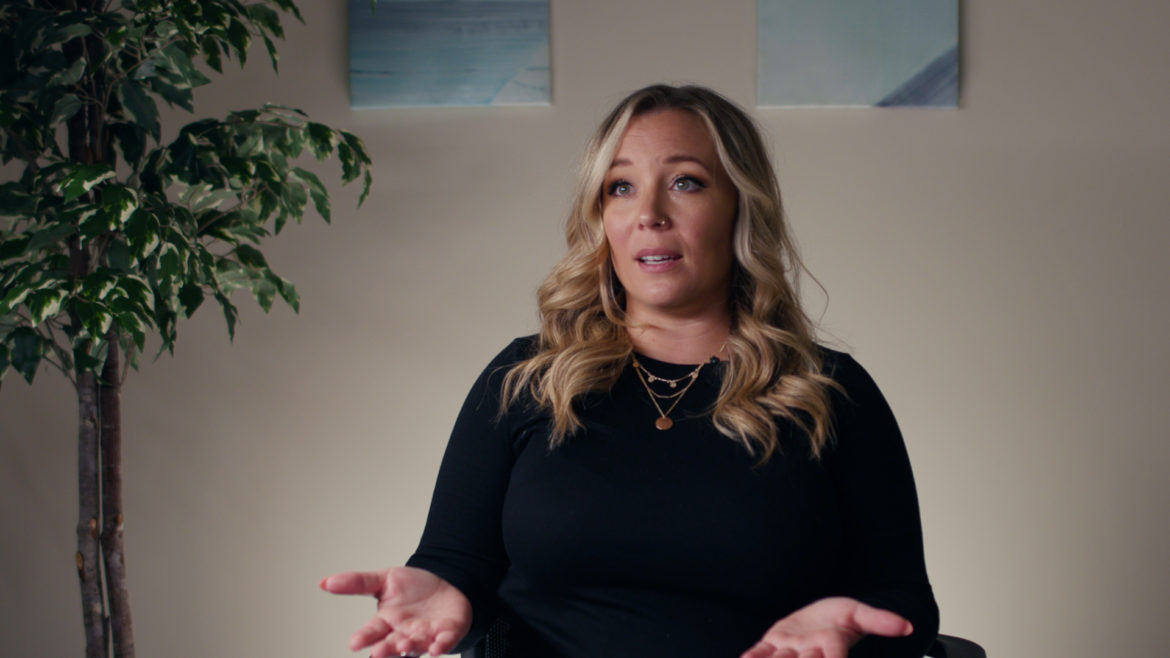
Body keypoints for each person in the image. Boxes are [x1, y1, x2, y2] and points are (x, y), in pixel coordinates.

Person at [321, 84, 939, 658]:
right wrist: (444, 591)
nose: (649, 212)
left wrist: (852, 635)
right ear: (601, 218)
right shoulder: (526, 378)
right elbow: (455, 563)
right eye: (620, 187)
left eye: (687, 183)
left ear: (739, 208)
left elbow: (905, 604)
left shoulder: (829, 390)